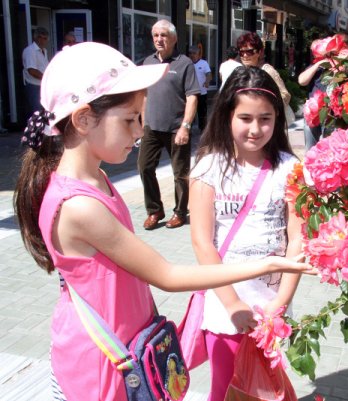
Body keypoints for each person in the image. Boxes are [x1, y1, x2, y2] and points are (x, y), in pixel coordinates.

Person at [13, 42, 314, 401]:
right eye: (130, 119)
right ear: (82, 118)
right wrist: (265, 264)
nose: (140, 131)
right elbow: (167, 276)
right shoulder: (79, 205)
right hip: (100, 367)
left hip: (123, 350)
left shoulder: (97, 180)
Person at [189, 66, 303, 401]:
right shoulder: (207, 167)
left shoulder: (290, 168)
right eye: (246, 118)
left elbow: (297, 238)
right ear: (227, 116)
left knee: (264, 388)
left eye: (265, 119)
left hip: (271, 310)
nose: (256, 129)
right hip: (226, 308)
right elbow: (201, 240)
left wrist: (280, 304)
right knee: (225, 389)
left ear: (277, 119)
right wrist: (233, 303)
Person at [138, 19, 200, 230]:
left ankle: (180, 212)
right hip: (151, 128)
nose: (159, 39)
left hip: (176, 128)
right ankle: (154, 210)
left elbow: (192, 97)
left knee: (180, 174)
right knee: (144, 167)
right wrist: (143, 123)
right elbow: (144, 96)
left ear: (174, 38)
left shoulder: (184, 64)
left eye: (163, 35)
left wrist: (186, 126)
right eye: (156, 35)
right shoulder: (147, 62)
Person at [236, 32, 294, 126]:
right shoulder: (240, 73)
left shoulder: (267, 71)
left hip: (266, 124)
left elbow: (285, 95)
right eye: (242, 52)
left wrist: (267, 108)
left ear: (259, 52)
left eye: (250, 52)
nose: (245, 56)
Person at [22, 26, 49, 117]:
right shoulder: (30, 51)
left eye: (45, 38)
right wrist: (46, 78)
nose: (43, 41)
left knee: (44, 111)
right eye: (41, 38)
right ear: (36, 38)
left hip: (42, 86)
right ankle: (36, 130)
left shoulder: (44, 51)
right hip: (34, 86)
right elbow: (31, 70)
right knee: (37, 112)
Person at [188, 44, 212, 132]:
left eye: (194, 53)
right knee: (190, 112)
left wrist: (207, 81)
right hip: (190, 93)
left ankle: (203, 130)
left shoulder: (204, 63)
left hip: (202, 93)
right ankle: (188, 129)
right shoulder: (187, 63)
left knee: (202, 113)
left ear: (198, 54)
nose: (192, 55)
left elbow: (209, 74)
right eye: (190, 53)